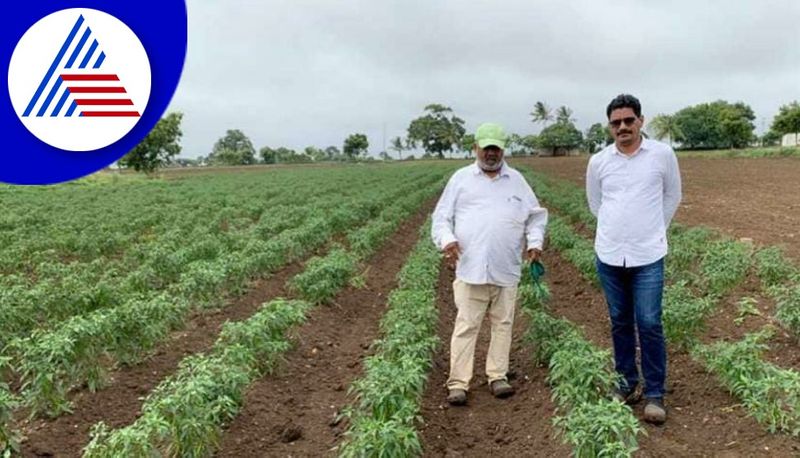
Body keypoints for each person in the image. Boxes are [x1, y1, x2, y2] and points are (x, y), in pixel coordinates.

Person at [431, 122, 548, 406]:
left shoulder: (517, 181)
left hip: (505, 269)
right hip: (470, 269)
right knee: (466, 326)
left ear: (502, 149)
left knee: (503, 324)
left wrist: (534, 244)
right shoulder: (461, 179)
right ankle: (458, 382)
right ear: (476, 148)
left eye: (496, 148)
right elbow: (441, 218)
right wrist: (447, 240)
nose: (491, 154)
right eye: (486, 148)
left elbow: (536, 216)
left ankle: (497, 376)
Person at [586, 94, 682, 424]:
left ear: (641, 120)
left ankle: (655, 392)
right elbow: (595, 204)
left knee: (650, 323)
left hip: (648, 255)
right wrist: (619, 231)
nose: (623, 127)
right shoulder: (599, 161)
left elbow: (672, 195)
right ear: (610, 126)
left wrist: (654, 229)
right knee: (620, 322)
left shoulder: (662, 154)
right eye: (616, 123)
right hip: (610, 254)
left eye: (629, 120)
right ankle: (627, 384)